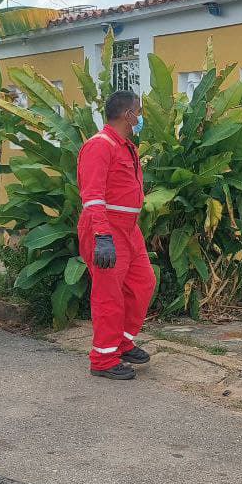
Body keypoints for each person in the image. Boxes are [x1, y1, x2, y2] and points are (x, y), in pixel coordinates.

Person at [76, 90, 157, 381]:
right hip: (107, 227)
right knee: (108, 295)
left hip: (128, 228)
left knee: (143, 283)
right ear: (128, 115)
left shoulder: (125, 146)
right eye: (139, 111)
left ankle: (121, 342)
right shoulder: (100, 146)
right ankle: (103, 358)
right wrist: (102, 235)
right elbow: (93, 196)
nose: (140, 116)